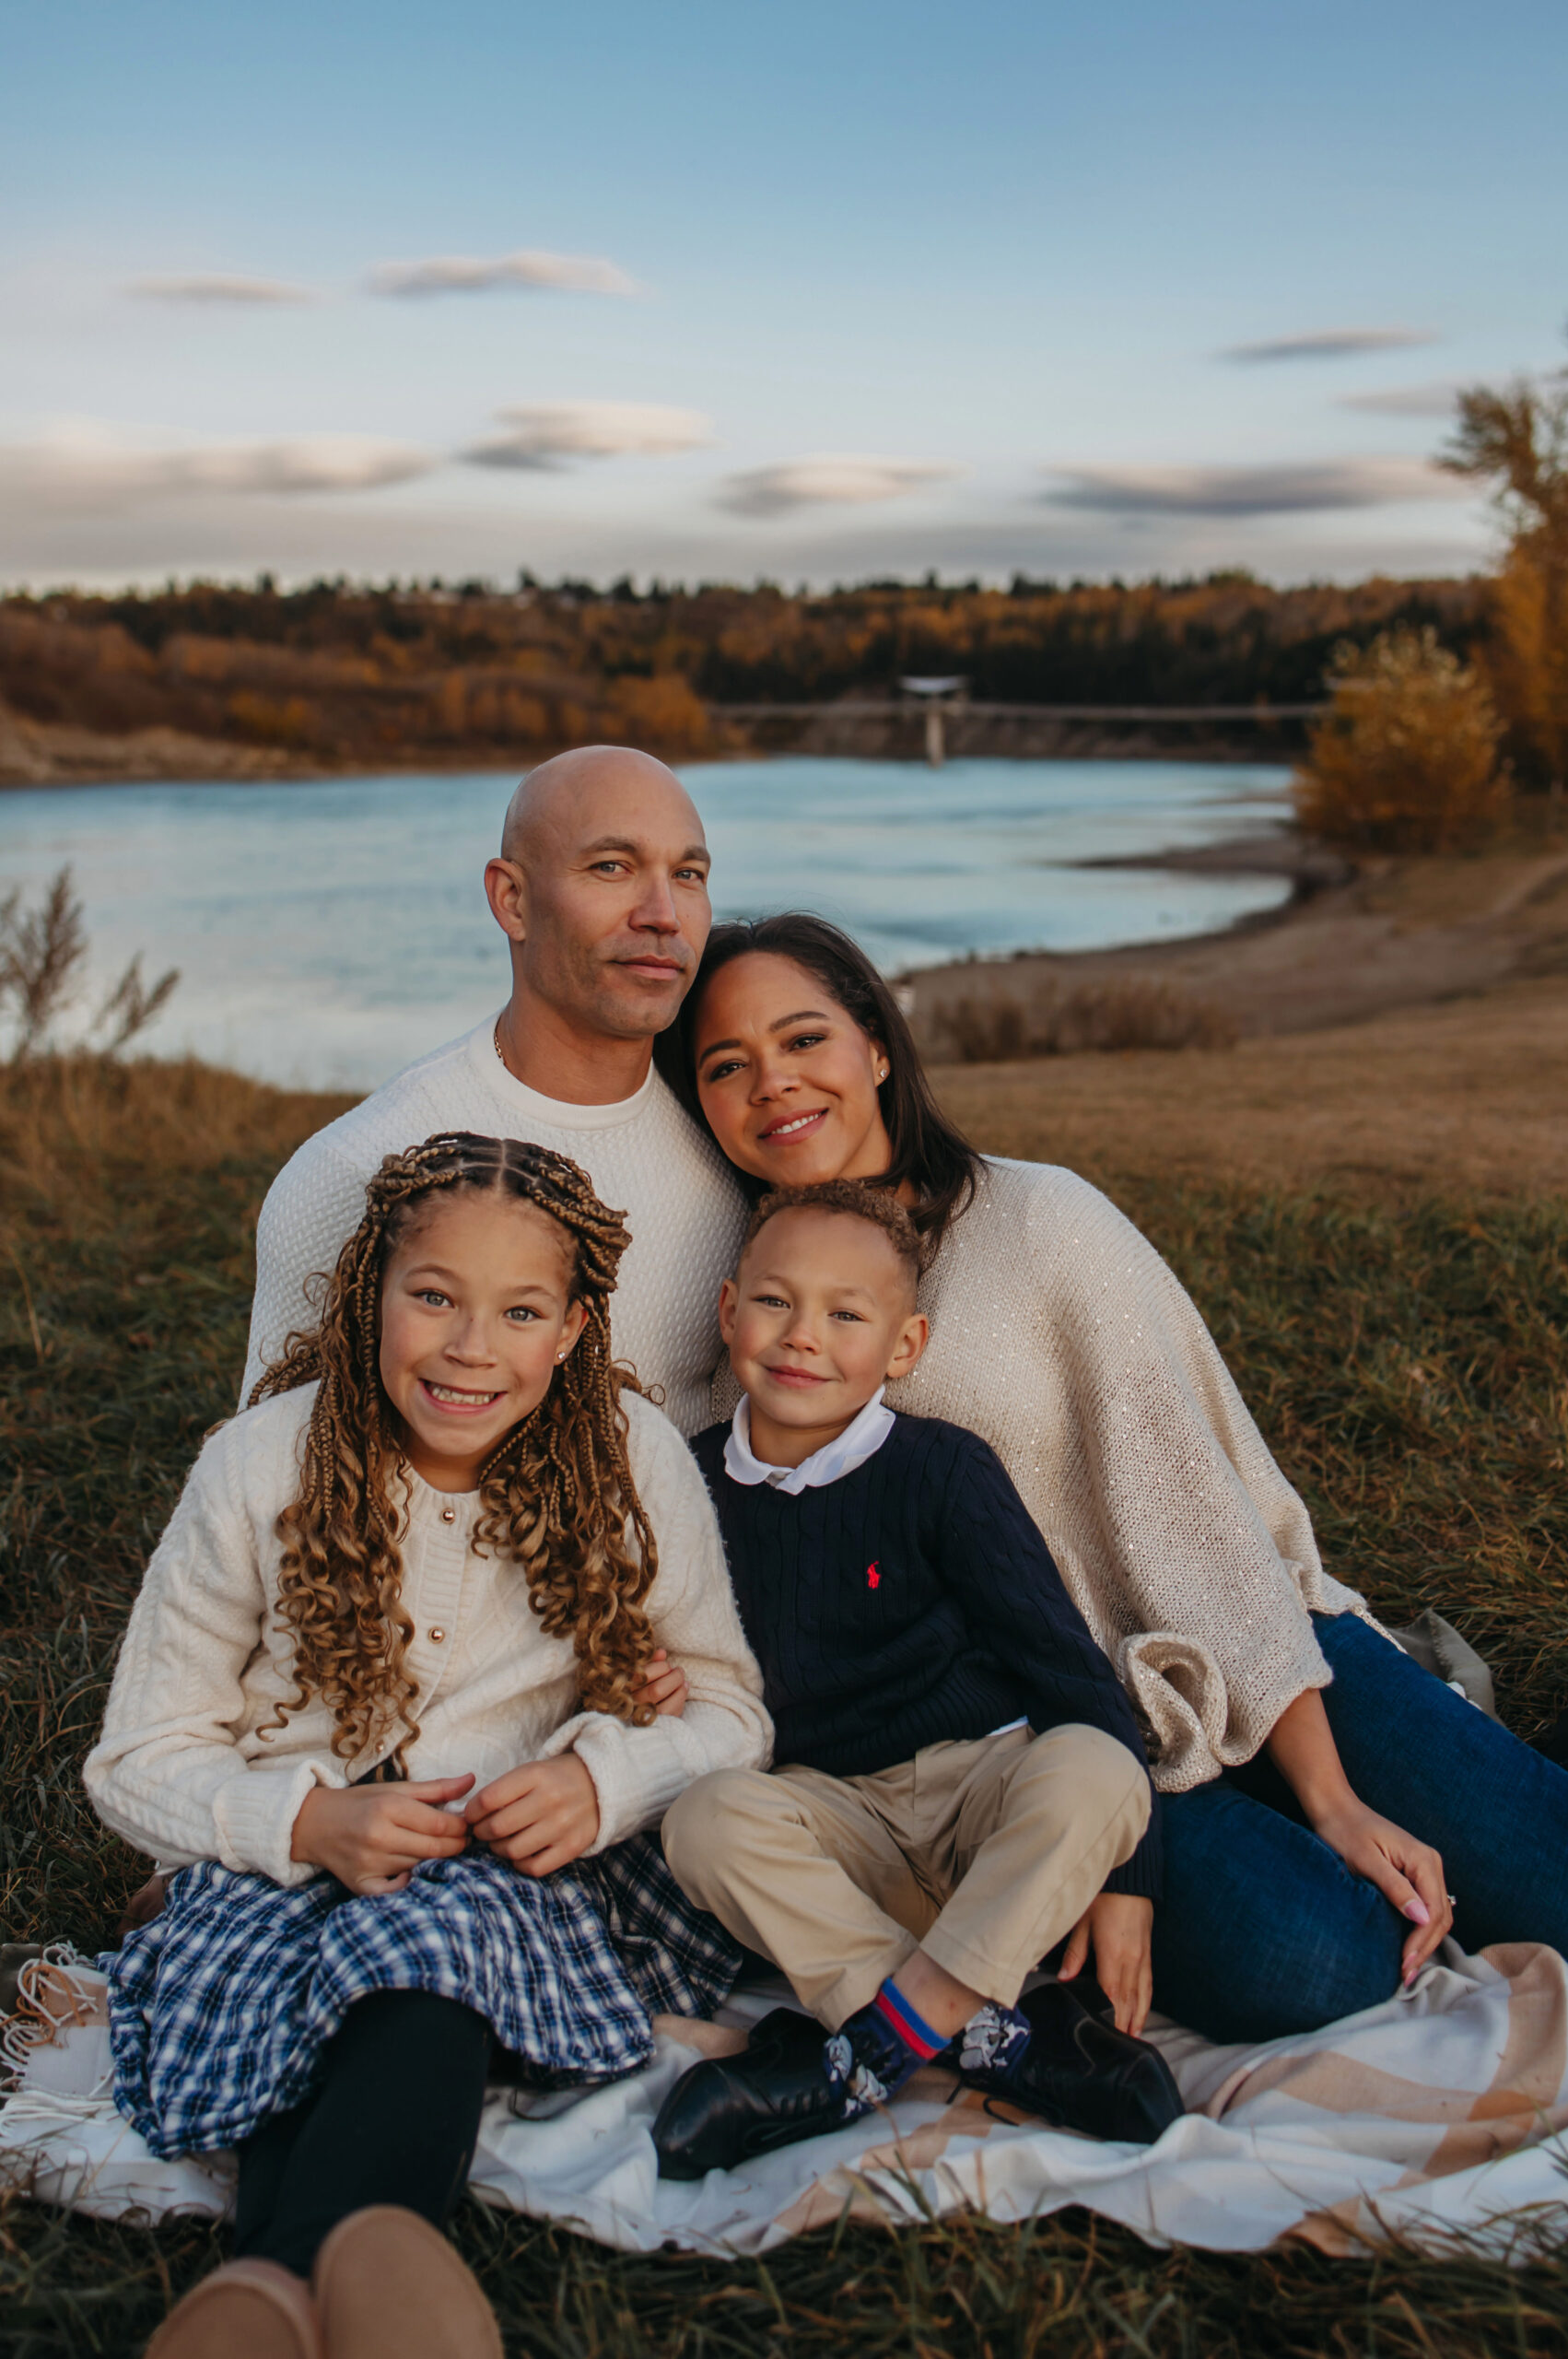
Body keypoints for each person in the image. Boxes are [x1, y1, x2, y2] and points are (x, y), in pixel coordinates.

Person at [654, 912, 1568, 2047]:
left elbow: (1197, 1514)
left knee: (1549, 1875)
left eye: (803, 1040)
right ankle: (1242, 1834)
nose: (774, 1085)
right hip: (1036, 1741)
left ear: (877, 1046)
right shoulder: (756, 1311)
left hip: (1241, 1647)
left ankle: (1352, 1761)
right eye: (726, 1065)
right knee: (1317, 1961)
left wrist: (1333, 1796)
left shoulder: (1042, 1219)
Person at [85, 1133, 769, 2358]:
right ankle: (361, 2276)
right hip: (277, 1866)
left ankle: (274, 2286)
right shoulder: (256, 1466)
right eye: (434, 1298)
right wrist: (296, 1822)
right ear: (368, 1295)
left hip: (505, 1874)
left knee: (424, 1957)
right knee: (313, 1985)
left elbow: (728, 1708)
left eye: (518, 1312)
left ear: (569, 1333)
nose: (469, 1348)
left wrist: (599, 1778)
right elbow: (135, 1756)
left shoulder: (631, 1462)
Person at [652, 1182, 1183, 2178]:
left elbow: (1067, 1669)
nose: (803, 1335)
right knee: (707, 1818)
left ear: (904, 1346)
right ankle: (990, 2034)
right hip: (836, 1821)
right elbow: (676, 1649)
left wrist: (1128, 1877)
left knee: (1096, 1767)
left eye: (847, 1314)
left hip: (977, 1797)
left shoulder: (942, 1471)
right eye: (776, 1302)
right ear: (729, 1311)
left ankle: (874, 2048)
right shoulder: (687, 1486)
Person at [242, 745, 745, 1435]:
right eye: (611, 867)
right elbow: (271, 1482)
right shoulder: (357, 1167)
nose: (663, 913)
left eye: (687, 874)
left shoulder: (738, 1149)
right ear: (512, 900)